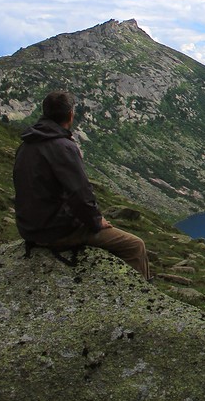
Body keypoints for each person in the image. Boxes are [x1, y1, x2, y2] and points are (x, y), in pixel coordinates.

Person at [13, 90, 150, 280]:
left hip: (29, 228)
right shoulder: (63, 147)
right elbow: (80, 194)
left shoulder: (27, 143)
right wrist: (96, 221)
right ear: (70, 114)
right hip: (56, 231)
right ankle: (140, 297)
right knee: (135, 245)